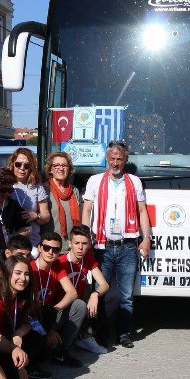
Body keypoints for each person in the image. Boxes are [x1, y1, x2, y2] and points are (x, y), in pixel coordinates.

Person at [81, 140, 152, 348]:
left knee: (126, 296)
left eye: (119, 159)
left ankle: (123, 334)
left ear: (125, 160)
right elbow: (87, 211)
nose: (115, 163)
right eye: (112, 158)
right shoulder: (94, 181)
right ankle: (100, 334)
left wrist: (146, 238)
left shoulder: (134, 182)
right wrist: (86, 237)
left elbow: (142, 212)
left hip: (128, 245)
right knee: (100, 292)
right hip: (101, 246)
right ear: (107, 159)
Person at [31, 231, 87, 366]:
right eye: (46, 248)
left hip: (49, 313)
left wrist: (54, 311)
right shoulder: (30, 268)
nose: (50, 252)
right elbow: (27, 309)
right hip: (32, 317)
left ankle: (60, 351)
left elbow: (72, 293)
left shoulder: (56, 267)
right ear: (39, 248)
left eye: (55, 250)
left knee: (79, 305)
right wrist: (48, 328)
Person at [61, 224, 112, 354]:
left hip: (82, 301)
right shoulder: (61, 261)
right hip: (64, 305)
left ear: (89, 244)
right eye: (76, 243)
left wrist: (95, 295)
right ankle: (62, 348)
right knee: (79, 304)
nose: (80, 247)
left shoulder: (87, 257)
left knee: (113, 297)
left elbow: (104, 284)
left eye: (84, 243)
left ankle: (85, 336)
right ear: (69, 243)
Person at [2, 254, 51, 379]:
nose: (23, 278)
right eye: (17, 273)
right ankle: (16, 373)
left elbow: (31, 320)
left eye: (27, 274)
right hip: (0, 345)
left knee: (39, 328)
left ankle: (29, 367)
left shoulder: (22, 297)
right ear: (7, 273)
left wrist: (19, 333)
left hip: (14, 338)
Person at [9, 148, 50, 246]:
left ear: (31, 168)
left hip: (31, 243)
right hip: (10, 242)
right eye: (18, 164)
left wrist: (35, 216)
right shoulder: (5, 185)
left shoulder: (37, 188)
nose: (22, 168)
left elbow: (46, 216)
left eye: (26, 166)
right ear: (12, 164)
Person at [44, 151, 82, 252]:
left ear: (69, 169)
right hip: (50, 249)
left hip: (71, 248)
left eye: (64, 165)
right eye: (56, 165)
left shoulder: (74, 191)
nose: (61, 168)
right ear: (50, 169)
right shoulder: (44, 190)